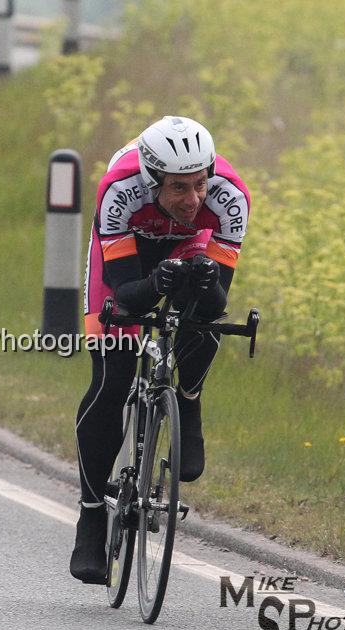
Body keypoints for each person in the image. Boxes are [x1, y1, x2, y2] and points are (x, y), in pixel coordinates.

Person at [70, 115, 251, 584]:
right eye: (178, 189)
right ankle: (91, 516)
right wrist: (153, 283)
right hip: (128, 250)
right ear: (153, 182)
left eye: (199, 185)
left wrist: (204, 279)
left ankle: (188, 403)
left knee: (198, 319)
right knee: (112, 377)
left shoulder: (229, 199)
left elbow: (216, 305)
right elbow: (124, 293)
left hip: (190, 246)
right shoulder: (120, 189)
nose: (193, 200)